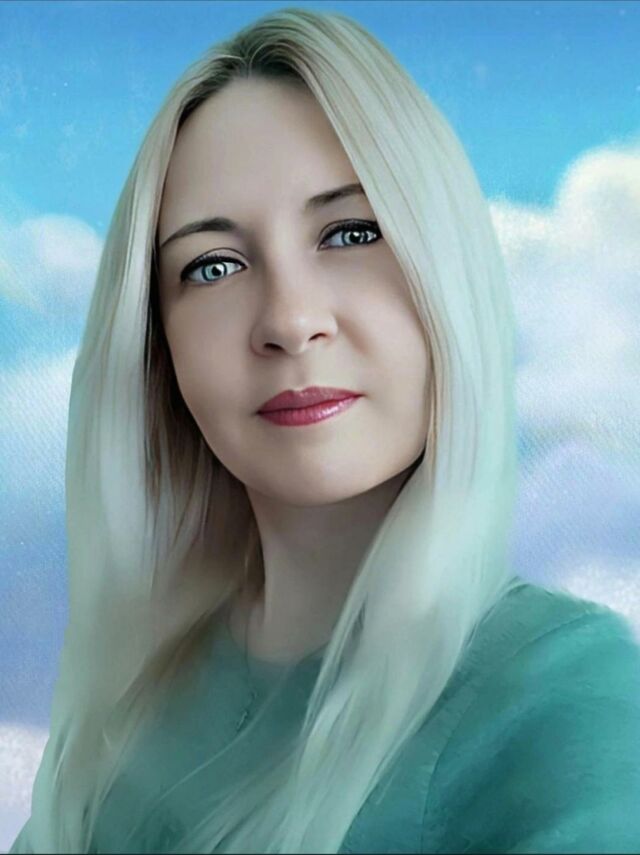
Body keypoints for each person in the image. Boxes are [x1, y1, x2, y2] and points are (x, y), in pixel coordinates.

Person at [10, 7, 640, 854]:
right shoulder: (132, 715)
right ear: (156, 347)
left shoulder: (565, 697)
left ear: (448, 267)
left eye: (350, 232)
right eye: (214, 265)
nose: (290, 319)